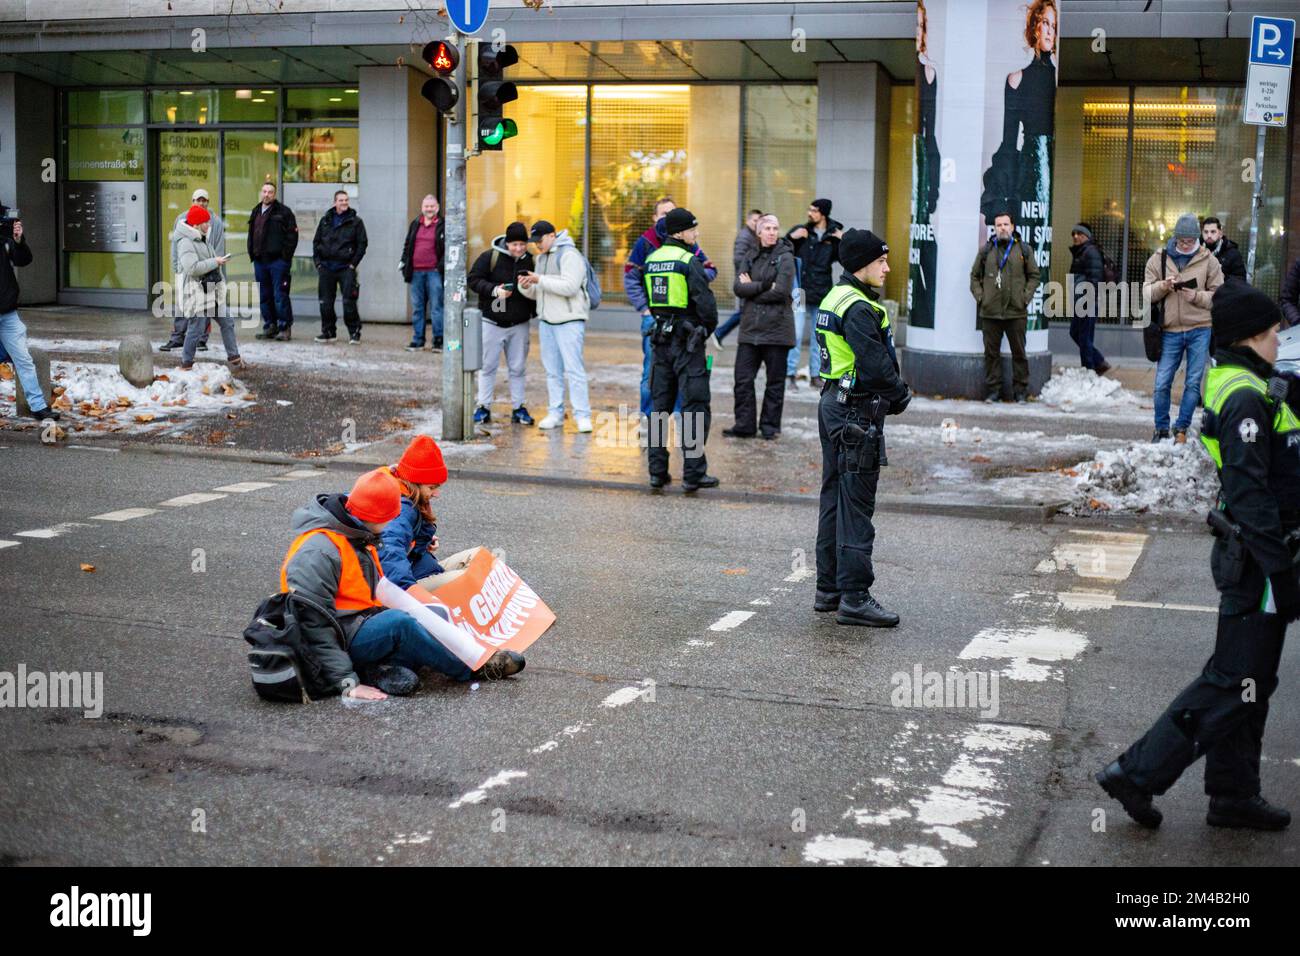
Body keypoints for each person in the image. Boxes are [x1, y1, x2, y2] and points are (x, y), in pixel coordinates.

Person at [1096, 284, 1299, 833]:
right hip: (1259, 562)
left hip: (1256, 557)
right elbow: (1252, 492)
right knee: (1234, 682)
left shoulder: (1246, 382)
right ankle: (1136, 773)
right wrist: (1281, 571)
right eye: (1274, 330)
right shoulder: (1245, 398)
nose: (1281, 337)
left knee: (1250, 683)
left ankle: (1233, 795)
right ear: (1252, 336)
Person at [280, 468, 524, 701]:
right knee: (402, 625)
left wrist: (428, 609)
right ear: (374, 516)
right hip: (340, 635)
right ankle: (473, 668)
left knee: (419, 624)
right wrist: (346, 682)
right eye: (388, 519)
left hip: (355, 623)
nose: (390, 526)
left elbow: (381, 589)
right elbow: (312, 624)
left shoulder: (356, 533)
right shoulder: (318, 552)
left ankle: (378, 669)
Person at [814, 229, 910, 627]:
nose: (887, 267)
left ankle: (829, 590)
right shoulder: (858, 307)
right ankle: (854, 596)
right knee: (855, 505)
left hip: (834, 404)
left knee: (835, 496)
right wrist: (900, 394)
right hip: (855, 412)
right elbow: (875, 365)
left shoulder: (837, 297)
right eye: (881, 261)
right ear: (861, 265)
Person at [644, 207, 720, 492]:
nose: (696, 233)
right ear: (679, 232)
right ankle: (693, 474)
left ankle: (656, 471)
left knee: (659, 408)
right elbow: (706, 304)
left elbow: (653, 302)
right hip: (688, 343)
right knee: (695, 406)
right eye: (692, 229)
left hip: (660, 340)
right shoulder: (689, 260)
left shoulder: (653, 260)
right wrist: (704, 330)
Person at [623, 197, 718, 418]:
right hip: (661, 323)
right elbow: (631, 277)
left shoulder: (686, 251)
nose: (669, 217)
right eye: (664, 214)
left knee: (664, 385)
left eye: (672, 213)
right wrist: (644, 308)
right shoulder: (645, 243)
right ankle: (653, 419)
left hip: (676, 328)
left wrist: (695, 277)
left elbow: (709, 269)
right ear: (656, 218)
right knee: (655, 377)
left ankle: (667, 419)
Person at [1144, 212, 1223, 443]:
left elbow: (1220, 296)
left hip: (1200, 328)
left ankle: (1182, 428)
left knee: (1192, 382)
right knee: (1161, 383)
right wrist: (1163, 286)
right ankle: (1160, 429)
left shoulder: (1209, 260)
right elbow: (1146, 292)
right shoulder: (1160, 258)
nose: (1185, 245)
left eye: (1189, 241)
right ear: (1175, 238)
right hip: (1169, 330)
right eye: (1181, 241)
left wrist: (1197, 297)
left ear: (1196, 239)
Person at [725, 214, 795, 440]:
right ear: (759, 231)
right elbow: (738, 287)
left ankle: (769, 427)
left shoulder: (785, 257)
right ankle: (744, 425)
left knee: (774, 383)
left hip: (777, 330)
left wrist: (753, 290)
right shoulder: (749, 254)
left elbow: (782, 291)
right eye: (767, 228)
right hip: (750, 329)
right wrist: (765, 285)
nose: (772, 232)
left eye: (775, 228)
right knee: (743, 380)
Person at [518, 220, 592, 432]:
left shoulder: (570, 255)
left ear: (552, 235)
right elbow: (540, 291)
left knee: (574, 370)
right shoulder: (541, 258)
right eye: (535, 242)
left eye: (540, 240)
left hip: (569, 321)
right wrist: (525, 286)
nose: (537, 245)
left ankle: (582, 415)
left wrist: (539, 279)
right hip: (547, 321)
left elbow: (570, 287)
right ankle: (555, 412)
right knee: (552, 371)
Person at [468, 221, 536, 425]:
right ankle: (483, 406)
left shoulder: (531, 261)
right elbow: (473, 280)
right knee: (488, 366)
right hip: (492, 322)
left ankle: (518, 407)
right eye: (514, 244)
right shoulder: (490, 257)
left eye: (522, 244)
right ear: (507, 243)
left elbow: (538, 289)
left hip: (519, 323)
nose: (518, 248)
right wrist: (494, 291)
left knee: (518, 367)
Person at [970, 210, 1040, 403]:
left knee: (1019, 353)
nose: (1002, 228)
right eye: (998, 225)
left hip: (1016, 311)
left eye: (1005, 224)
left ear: (1013, 227)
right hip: (990, 312)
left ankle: (1020, 392)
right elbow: (974, 276)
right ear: (994, 228)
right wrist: (981, 297)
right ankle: (994, 392)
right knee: (991, 354)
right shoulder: (986, 250)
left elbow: (1035, 276)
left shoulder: (1024, 250)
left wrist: (1025, 298)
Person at [0, 205, 58, 422]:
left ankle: (38, 407)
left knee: (24, 359)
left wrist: (17, 240)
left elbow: (23, 260)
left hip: (8, 312)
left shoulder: (4, 235)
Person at [175, 204, 245, 372]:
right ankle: (186, 363)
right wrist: (215, 262)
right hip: (196, 293)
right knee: (196, 328)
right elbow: (192, 268)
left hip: (211, 292)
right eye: (206, 222)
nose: (209, 225)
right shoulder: (186, 242)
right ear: (197, 223)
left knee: (227, 321)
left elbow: (206, 261)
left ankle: (234, 357)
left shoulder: (202, 237)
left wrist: (217, 260)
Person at [162, 188, 222, 353]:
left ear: (208, 202)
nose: (201, 203)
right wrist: (176, 268)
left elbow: (218, 246)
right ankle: (177, 338)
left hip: (206, 271)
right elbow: (175, 245)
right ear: (192, 201)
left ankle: (202, 339)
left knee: (206, 305)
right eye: (198, 200)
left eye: (204, 200)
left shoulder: (215, 222)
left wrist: (215, 268)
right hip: (186, 270)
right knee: (182, 305)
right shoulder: (181, 219)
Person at [312, 190, 367, 345]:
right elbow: (316, 243)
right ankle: (328, 332)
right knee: (325, 302)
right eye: (341, 200)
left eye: (346, 200)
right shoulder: (325, 221)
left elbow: (362, 244)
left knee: (349, 301)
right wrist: (318, 264)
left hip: (345, 268)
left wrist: (352, 264)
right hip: (326, 268)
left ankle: (354, 332)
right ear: (335, 202)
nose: (344, 203)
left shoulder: (356, 222)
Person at [248, 182, 298, 341]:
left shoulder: (284, 212)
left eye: (270, 192)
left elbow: (292, 237)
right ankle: (270, 325)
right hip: (260, 261)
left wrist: (285, 257)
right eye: (264, 191)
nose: (266, 194)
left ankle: (284, 328)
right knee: (264, 295)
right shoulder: (256, 211)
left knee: (280, 295)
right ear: (260, 192)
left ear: (274, 194)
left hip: (278, 262)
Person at [400, 194, 446, 351]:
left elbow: (447, 249)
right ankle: (418, 340)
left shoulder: (443, 225)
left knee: (437, 308)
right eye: (427, 206)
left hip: (434, 272)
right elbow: (407, 245)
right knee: (418, 308)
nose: (429, 209)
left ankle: (438, 340)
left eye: (432, 206)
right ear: (422, 208)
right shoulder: (415, 224)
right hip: (416, 272)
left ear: (437, 208)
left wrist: (440, 268)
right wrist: (404, 262)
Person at [786, 199, 842, 323]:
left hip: (821, 290)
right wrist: (791, 237)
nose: (810, 213)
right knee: (796, 334)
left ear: (823, 214)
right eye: (809, 209)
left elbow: (845, 259)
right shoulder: (801, 230)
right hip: (799, 289)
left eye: (814, 210)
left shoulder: (834, 235)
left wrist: (844, 240)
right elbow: (781, 249)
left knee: (817, 334)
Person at [1066, 223, 1110, 376]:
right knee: (1076, 333)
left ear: (1087, 236)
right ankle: (1098, 362)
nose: (1075, 237)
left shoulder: (1090, 252)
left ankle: (1089, 369)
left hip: (1088, 301)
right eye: (1074, 234)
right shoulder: (1081, 252)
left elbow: (1095, 279)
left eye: (1079, 234)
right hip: (1081, 301)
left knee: (1084, 336)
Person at [713, 209, 762, 346]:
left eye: (759, 221)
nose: (757, 223)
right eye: (755, 220)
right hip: (746, 280)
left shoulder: (752, 236)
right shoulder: (745, 236)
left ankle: (721, 333)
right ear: (748, 221)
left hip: (749, 280)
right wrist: (750, 275)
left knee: (746, 310)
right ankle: (721, 332)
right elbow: (739, 259)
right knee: (746, 310)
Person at [1202, 216, 1246, 283]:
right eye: (1206, 232)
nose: (1209, 236)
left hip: (1222, 292)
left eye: (1213, 232)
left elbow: (1240, 281)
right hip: (1199, 293)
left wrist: (1220, 277)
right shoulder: (1196, 251)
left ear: (1220, 233)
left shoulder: (1233, 254)